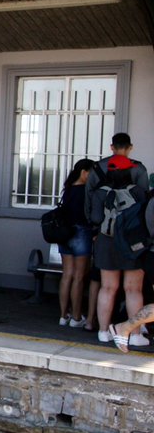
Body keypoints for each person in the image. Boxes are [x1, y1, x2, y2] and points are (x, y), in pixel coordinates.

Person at [86, 132, 150, 349]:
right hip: (133, 243)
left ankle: (103, 332)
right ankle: (135, 334)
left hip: (106, 240)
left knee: (107, 287)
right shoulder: (138, 191)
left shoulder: (100, 192)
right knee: (133, 289)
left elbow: (94, 217)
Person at [53, 159, 95, 329]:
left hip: (65, 234)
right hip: (81, 233)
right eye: (91, 173)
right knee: (79, 276)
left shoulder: (68, 189)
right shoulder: (86, 191)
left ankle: (63, 316)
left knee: (67, 275)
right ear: (84, 172)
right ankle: (76, 317)